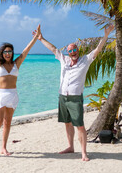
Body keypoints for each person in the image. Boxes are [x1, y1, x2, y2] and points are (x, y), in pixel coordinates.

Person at [35, 24, 114, 161]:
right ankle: (70, 147)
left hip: (75, 98)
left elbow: (98, 49)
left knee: (80, 125)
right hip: (62, 97)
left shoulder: (85, 60)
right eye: (70, 51)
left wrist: (106, 35)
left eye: (75, 50)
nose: (73, 52)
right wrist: (41, 38)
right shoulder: (64, 60)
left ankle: (83, 153)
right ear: (68, 52)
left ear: (78, 50)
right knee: (67, 123)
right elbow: (53, 49)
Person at [0, 22, 41, 158]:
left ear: (12, 53)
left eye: (10, 51)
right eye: (5, 51)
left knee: (8, 122)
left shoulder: (17, 63)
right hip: (0, 95)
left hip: (13, 95)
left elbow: (27, 50)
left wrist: (36, 37)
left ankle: (3, 147)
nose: (8, 54)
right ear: (2, 53)